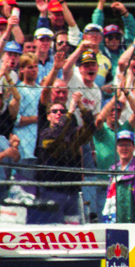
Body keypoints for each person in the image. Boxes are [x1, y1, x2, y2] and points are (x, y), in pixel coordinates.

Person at [36, 94, 96, 224]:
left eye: (62, 111)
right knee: (53, 229)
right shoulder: (45, 134)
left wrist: (81, 107)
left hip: (72, 192)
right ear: (48, 116)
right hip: (51, 191)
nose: (59, 113)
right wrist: (69, 113)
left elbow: (91, 128)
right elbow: (56, 136)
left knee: (73, 231)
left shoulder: (72, 136)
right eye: (55, 111)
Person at [103, 130, 135, 223]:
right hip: (112, 221)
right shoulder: (114, 170)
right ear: (116, 148)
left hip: (130, 225)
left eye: (128, 145)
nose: (124, 148)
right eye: (121, 145)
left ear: (134, 147)